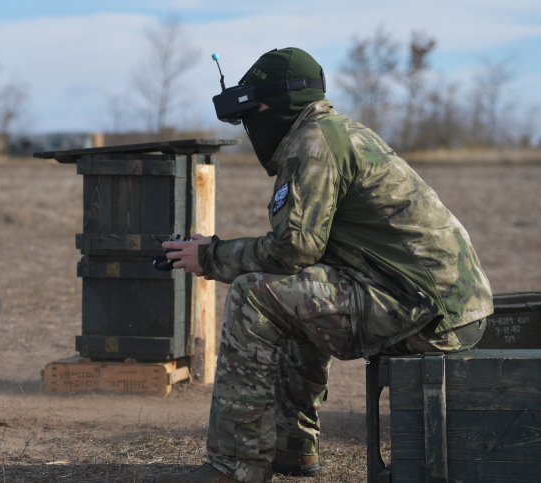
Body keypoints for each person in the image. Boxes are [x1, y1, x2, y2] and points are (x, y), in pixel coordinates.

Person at [152, 47, 493, 483]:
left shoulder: (313, 143)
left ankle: (233, 467)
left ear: (275, 104)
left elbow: (293, 249)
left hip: (426, 312)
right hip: (442, 305)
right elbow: (304, 255)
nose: (251, 126)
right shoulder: (338, 133)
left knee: (255, 295)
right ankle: (293, 449)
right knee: (290, 291)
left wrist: (211, 256)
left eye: (252, 112)